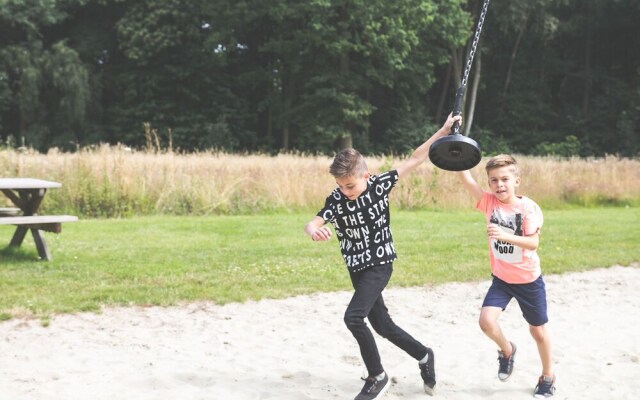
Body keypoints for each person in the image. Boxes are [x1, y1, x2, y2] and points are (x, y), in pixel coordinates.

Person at [304, 114, 460, 400]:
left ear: (366, 175)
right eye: (341, 186)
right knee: (382, 325)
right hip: (357, 268)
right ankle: (424, 356)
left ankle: (377, 376)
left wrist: (443, 130)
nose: (345, 191)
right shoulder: (337, 198)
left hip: (379, 263)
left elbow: (415, 158)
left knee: (353, 317)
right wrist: (313, 230)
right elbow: (315, 221)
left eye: (350, 185)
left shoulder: (379, 185)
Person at [455, 154, 556, 398]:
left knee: (538, 332)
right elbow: (466, 179)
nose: (499, 185)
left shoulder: (528, 207)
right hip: (501, 279)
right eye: (493, 180)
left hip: (528, 281)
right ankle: (507, 350)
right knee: (486, 322)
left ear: (516, 180)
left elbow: (533, 243)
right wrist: (457, 152)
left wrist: (504, 235)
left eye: (504, 179)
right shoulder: (489, 203)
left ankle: (548, 376)